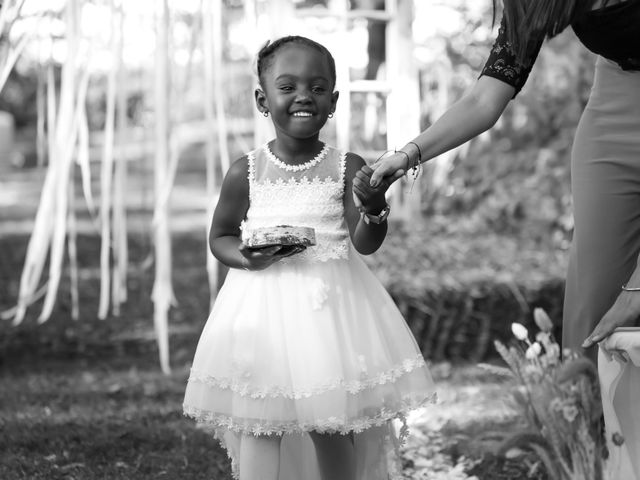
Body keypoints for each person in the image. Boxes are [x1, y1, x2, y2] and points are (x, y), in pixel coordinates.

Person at [183, 35, 435, 480]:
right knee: (261, 423)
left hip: (330, 316)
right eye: (288, 87)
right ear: (263, 100)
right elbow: (220, 235)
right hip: (261, 314)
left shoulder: (347, 166)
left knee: (331, 422)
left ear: (333, 101)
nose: (304, 96)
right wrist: (246, 258)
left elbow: (364, 242)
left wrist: (375, 206)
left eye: (317, 88)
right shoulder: (245, 172)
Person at [368, 0, 640, 360]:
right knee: (593, 312)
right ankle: (587, 411)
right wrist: (408, 154)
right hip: (616, 102)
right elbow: (485, 98)